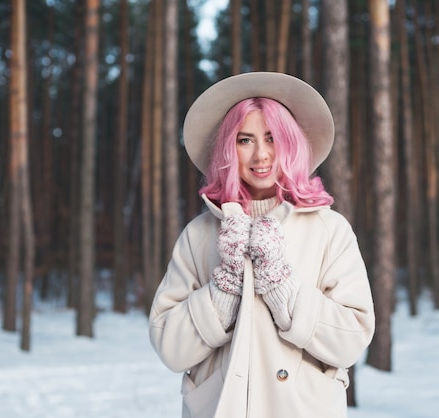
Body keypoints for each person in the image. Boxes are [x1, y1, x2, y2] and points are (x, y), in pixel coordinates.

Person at [149, 72, 375, 418]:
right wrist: (224, 289)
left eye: (272, 138)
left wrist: (282, 286)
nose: (261, 155)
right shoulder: (198, 235)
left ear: (291, 143)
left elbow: (351, 340)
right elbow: (169, 348)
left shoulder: (330, 229)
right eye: (245, 140)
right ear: (228, 148)